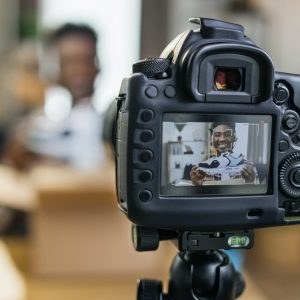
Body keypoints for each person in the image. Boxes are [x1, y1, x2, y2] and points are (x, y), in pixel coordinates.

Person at [4, 23, 106, 171]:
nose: (80, 71)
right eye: (70, 62)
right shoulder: (32, 129)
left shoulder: (110, 126)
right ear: (51, 67)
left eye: (88, 60)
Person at [190, 122, 257, 186]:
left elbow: (258, 195)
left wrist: (250, 183)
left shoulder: (249, 167)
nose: (222, 139)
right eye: (217, 135)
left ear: (235, 139)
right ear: (212, 140)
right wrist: (197, 185)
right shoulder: (202, 170)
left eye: (227, 134)